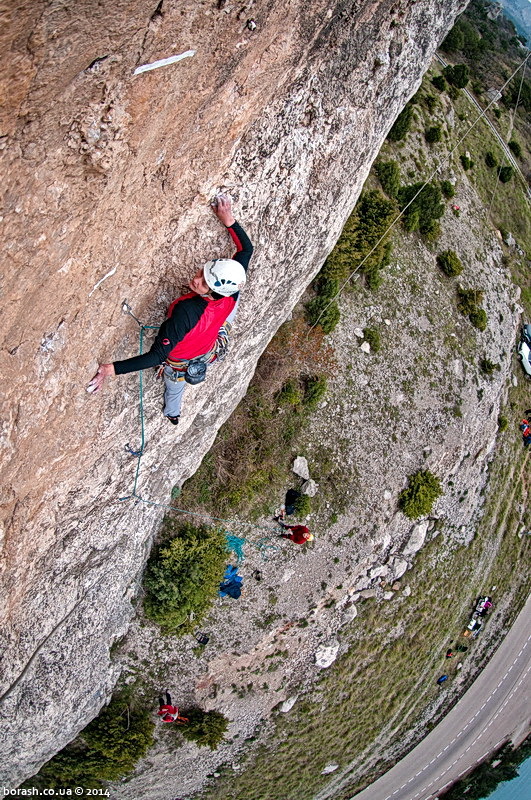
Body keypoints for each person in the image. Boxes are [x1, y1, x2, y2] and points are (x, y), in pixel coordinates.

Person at [87, 195, 253, 425]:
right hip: (211, 338)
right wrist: (229, 220)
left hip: (182, 360)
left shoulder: (187, 311)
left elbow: (157, 355)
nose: (195, 280)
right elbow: (246, 250)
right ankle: (173, 411)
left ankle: (172, 413)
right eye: (200, 273)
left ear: (213, 290)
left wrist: (109, 369)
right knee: (228, 313)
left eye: (203, 283)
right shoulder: (230, 290)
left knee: (175, 387)